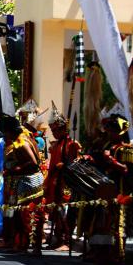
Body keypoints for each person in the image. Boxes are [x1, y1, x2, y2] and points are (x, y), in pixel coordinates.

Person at [87, 113, 133, 265]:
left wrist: (111, 161)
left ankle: (115, 261)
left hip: (119, 194)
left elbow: (126, 170)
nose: (108, 133)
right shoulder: (106, 146)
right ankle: (101, 258)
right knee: (100, 226)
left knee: (116, 229)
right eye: (108, 130)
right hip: (104, 192)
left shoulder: (127, 150)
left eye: (112, 130)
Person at [1, 115, 44, 254]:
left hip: (31, 182)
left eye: (5, 132)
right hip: (24, 181)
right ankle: (22, 245)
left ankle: (34, 247)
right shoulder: (19, 139)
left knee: (29, 215)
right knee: (20, 214)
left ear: (11, 131)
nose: (4, 135)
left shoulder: (22, 142)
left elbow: (33, 162)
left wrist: (15, 169)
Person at [43, 101, 81, 251]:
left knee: (64, 212)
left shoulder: (71, 144)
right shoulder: (57, 144)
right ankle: (58, 238)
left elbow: (75, 164)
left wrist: (64, 166)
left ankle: (65, 240)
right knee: (55, 213)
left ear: (62, 128)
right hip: (55, 182)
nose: (53, 132)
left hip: (65, 183)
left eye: (55, 129)